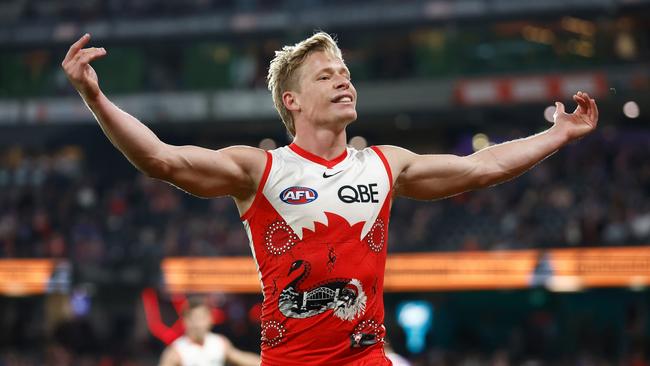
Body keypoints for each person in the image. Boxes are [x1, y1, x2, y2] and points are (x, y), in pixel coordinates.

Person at [62, 31, 598, 365]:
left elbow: (482, 167)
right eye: (326, 75)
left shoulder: (385, 163)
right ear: (292, 100)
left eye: (345, 72)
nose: (344, 80)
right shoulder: (261, 169)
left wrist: (559, 134)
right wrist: (95, 96)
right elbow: (162, 159)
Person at [158, 297, 261, 366]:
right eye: (194, 318)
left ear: (210, 320)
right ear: (185, 321)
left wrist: (270, 361)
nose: (198, 324)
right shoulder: (176, 351)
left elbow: (243, 358)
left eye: (202, 318)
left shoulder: (219, 343)